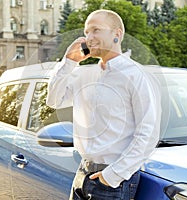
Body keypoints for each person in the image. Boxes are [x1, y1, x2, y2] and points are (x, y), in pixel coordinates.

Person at [47, 9, 161, 200]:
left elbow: (148, 132)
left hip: (112, 181)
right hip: (83, 173)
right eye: (86, 32)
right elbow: (53, 100)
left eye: (96, 30)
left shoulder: (135, 75)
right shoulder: (85, 74)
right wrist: (68, 62)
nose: (88, 37)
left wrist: (112, 176)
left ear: (117, 34)